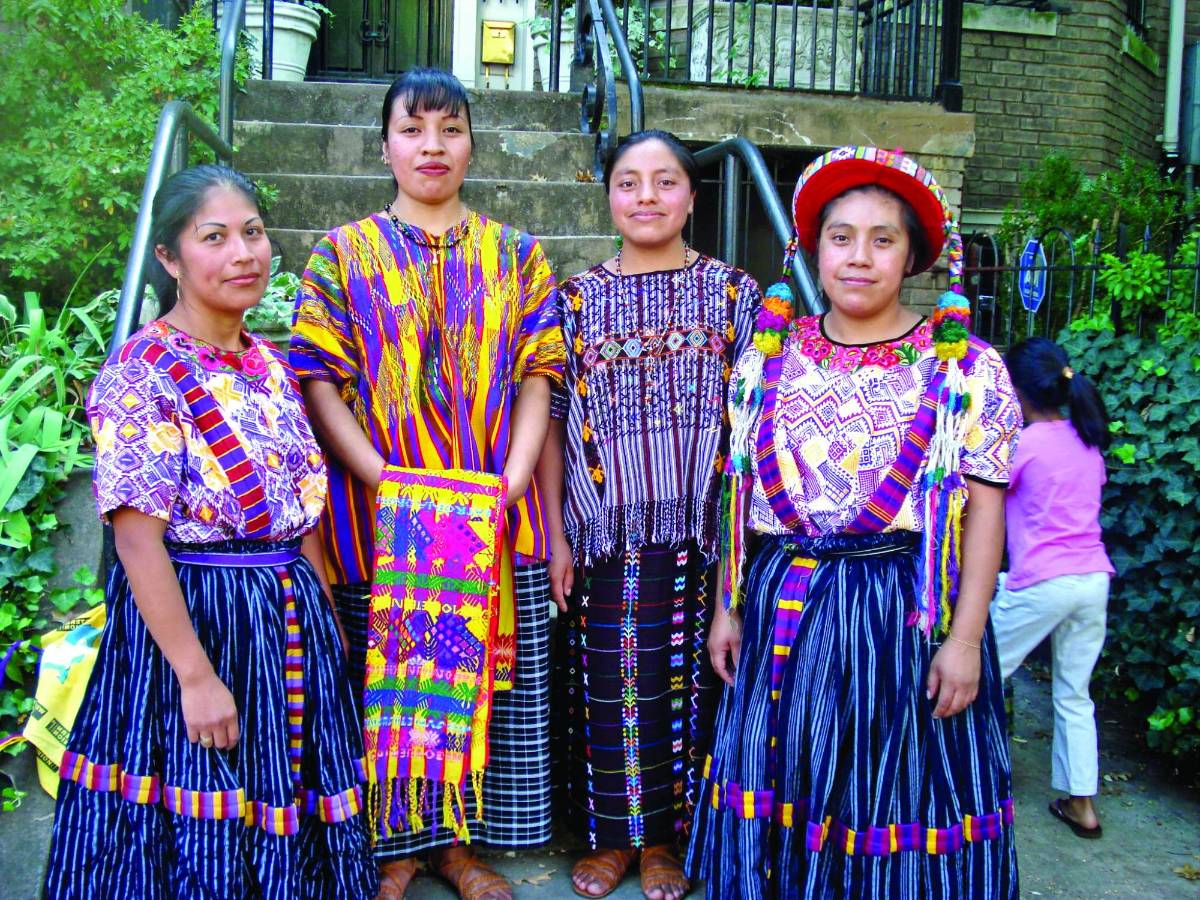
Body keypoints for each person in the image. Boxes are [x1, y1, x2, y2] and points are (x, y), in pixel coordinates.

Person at [687, 146, 1022, 898]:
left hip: (900, 616)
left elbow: (986, 513)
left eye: (883, 239)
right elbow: (738, 501)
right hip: (785, 609)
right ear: (813, 248)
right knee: (790, 773)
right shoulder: (767, 362)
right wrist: (725, 608)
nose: (859, 258)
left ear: (914, 256)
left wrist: (965, 640)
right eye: (841, 237)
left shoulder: (964, 369)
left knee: (890, 788)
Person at [43, 165, 377, 899]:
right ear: (169, 257)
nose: (243, 254)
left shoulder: (268, 363)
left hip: (287, 617)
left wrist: (321, 602)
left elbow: (302, 498)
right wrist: (195, 677)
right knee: (201, 801)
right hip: (200, 621)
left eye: (253, 233)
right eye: (215, 238)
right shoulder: (143, 373)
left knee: (287, 793)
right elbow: (137, 541)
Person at [289, 68, 564, 900]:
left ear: (472, 143)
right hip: (381, 520)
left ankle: (459, 848)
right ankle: (397, 848)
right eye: (413, 130)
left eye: (449, 129)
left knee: (479, 677)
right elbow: (316, 384)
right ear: (385, 146)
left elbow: (536, 379)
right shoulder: (339, 255)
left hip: (490, 513)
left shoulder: (519, 257)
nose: (432, 146)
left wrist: (506, 488)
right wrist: (388, 485)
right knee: (392, 681)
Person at [543, 129, 761, 900]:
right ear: (607, 195)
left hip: (701, 529)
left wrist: (738, 544)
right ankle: (610, 838)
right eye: (629, 182)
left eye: (664, 182)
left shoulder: (735, 295)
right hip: (605, 529)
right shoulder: (572, 301)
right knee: (606, 685)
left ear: (691, 197)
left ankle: (666, 841)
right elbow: (552, 416)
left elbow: (752, 424)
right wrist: (555, 531)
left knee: (687, 693)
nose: (645, 197)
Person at [991, 337, 1113, 840]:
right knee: (1074, 694)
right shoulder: (1087, 440)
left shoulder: (1022, 446)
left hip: (1043, 581)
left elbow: (984, 501)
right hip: (1092, 580)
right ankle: (1082, 805)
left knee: (973, 673)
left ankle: (956, 778)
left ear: (1016, 393)